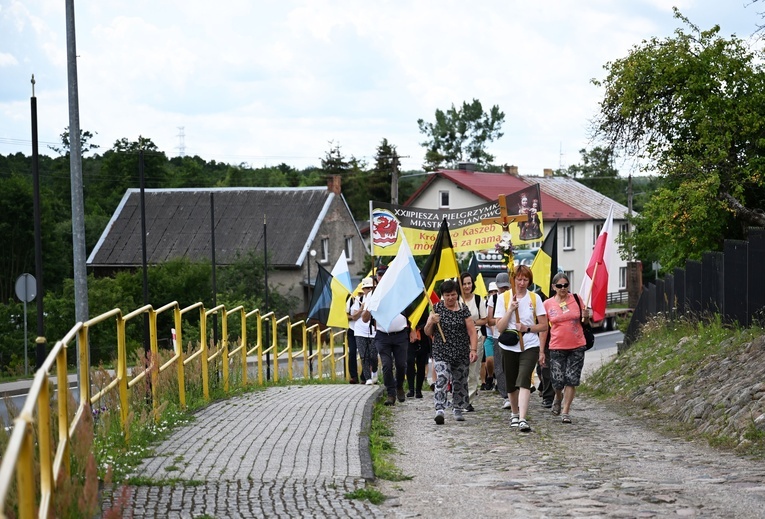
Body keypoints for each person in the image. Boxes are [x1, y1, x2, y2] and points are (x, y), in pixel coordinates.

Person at [495, 265, 548, 432]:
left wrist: (527, 328)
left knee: (524, 378)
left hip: (529, 345)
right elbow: (499, 327)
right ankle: (514, 413)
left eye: (525, 279)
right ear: (513, 280)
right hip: (509, 345)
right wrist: (510, 309)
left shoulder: (535, 298)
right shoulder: (504, 298)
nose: (522, 283)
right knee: (511, 382)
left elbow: (544, 325)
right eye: (519, 279)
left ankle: (523, 418)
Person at [424, 279, 478, 424]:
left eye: (453, 295)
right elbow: (427, 332)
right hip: (442, 351)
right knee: (441, 378)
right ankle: (439, 408)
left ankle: (458, 408)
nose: (450, 298)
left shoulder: (463, 309)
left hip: (460, 351)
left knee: (460, 381)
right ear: (443, 295)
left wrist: (473, 349)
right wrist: (431, 321)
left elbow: (472, 331)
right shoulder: (436, 309)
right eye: (447, 295)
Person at [542, 272, 590, 424]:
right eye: (559, 286)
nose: (563, 288)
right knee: (557, 380)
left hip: (577, 344)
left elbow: (586, 321)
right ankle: (558, 396)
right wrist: (541, 351)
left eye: (565, 285)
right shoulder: (547, 304)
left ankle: (566, 411)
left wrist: (587, 315)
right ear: (553, 287)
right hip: (556, 346)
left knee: (571, 379)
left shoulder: (576, 299)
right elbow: (544, 329)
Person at [362, 264, 409, 406]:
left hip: (400, 334)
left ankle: (399, 385)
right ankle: (390, 393)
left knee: (401, 365)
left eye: (384, 274)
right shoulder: (372, 295)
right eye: (379, 275)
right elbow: (365, 319)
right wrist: (369, 308)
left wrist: (412, 331)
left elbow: (411, 312)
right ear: (376, 277)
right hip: (383, 335)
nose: (381, 277)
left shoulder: (399, 291)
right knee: (387, 365)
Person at [460, 272, 488, 411]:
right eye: (464, 283)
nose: (467, 286)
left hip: (475, 338)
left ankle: (468, 400)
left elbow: (485, 319)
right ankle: (458, 398)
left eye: (469, 283)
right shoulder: (456, 299)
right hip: (458, 339)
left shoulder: (478, 299)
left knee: (473, 371)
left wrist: (471, 322)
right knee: (460, 371)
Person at [487, 272, 512, 410]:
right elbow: (489, 319)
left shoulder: (514, 297)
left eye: (506, 287)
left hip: (514, 334)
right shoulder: (494, 299)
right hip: (498, 335)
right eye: (501, 288)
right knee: (500, 367)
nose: (504, 290)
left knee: (512, 366)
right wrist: (500, 320)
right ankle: (505, 395)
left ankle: (515, 392)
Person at [351, 277, 378, 385]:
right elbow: (353, 317)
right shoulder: (359, 300)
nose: (369, 290)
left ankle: (375, 370)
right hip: (360, 332)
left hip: (373, 331)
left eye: (371, 287)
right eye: (367, 288)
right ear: (363, 289)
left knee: (373, 355)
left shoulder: (376, 299)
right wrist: (361, 309)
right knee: (364, 355)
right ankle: (368, 378)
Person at [406, 313, 431, 399]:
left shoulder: (425, 302)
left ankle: (418, 390)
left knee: (421, 363)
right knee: (409, 361)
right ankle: (411, 389)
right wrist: (412, 329)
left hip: (423, 334)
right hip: (409, 335)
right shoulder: (409, 305)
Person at [481, 282, 498, 391]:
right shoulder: (485, 303)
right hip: (489, 336)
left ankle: (498, 382)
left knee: (500, 361)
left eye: (495, 291)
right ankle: (490, 376)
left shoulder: (502, 301)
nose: (493, 293)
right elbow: (485, 320)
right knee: (490, 360)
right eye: (491, 291)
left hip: (501, 336)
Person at [345, 292, 360, 384]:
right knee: (352, 352)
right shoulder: (351, 300)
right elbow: (346, 316)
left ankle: (365, 376)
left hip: (364, 331)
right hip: (352, 329)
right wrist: (354, 316)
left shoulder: (368, 300)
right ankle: (354, 376)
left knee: (365, 354)